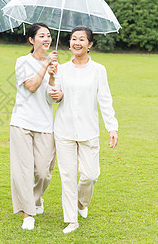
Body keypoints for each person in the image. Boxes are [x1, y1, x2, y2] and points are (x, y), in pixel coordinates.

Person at [47, 25, 119, 233]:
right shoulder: (60, 68)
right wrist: (53, 83)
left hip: (89, 130)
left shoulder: (98, 70)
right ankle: (71, 219)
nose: (76, 43)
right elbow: (55, 95)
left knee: (90, 175)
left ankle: (81, 203)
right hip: (64, 129)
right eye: (73, 39)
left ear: (90, 44)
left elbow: (105, 100)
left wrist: (112, 128)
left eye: (81, 39)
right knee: (68, 175)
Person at [10, 23, 59, 230]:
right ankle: (28, 213)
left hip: (45, 123)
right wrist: (45, 66)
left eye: (48, 36)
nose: (46, 39)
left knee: (43, 172)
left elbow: (53, 98)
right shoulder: (22, 61)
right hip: (22, 122)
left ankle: (35, 198)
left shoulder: (55, 65)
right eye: (41, 36)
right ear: (31, 40)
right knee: (23, 170)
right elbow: (30, 87)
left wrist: (53, 76)